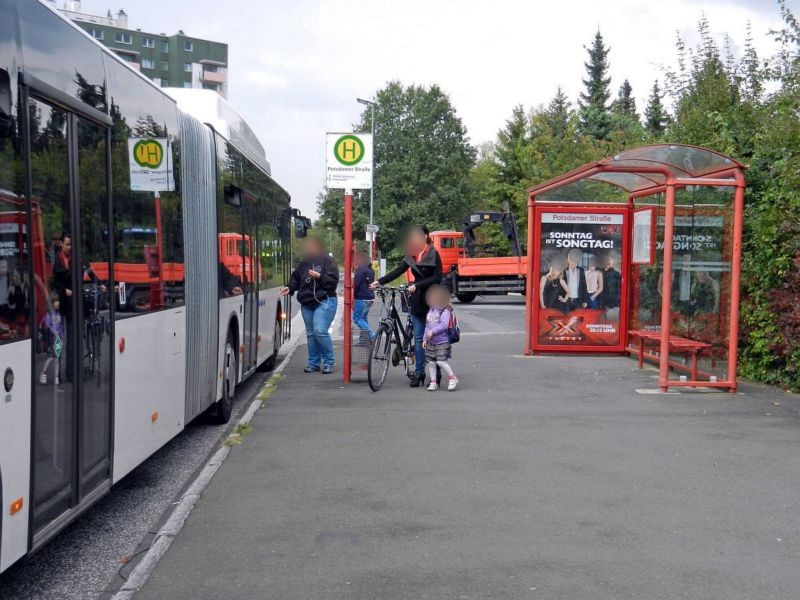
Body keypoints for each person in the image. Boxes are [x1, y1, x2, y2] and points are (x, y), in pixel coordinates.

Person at [371, 225, 442, 388]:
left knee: (432, 339)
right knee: (418, 340)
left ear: (425, 236)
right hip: (417, 300)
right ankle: (419, 373)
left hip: (432, 298)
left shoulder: (433, 253)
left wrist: (418, 285)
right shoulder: (412, 253)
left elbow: (438, 277)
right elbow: (399, 270)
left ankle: (436, 374)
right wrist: (380, 282)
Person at [280, 236, 339, 374]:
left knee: (319, 330)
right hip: (307, 303)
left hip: (324, 300)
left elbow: (332, 282)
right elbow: (296, 278)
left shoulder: (327, 261)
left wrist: (319, 277)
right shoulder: (304, 263)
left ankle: (329, 361)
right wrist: (290, 288)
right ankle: (313, 363)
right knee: (311, 334)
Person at [422, 284, 458, 392]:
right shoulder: (431, 311)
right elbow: (427, 326)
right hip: (431, 342)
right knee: (432, 363)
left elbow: (443, 325)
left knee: (440, 361)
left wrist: (433, 331)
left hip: (442, 341)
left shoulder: (445, 311)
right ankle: (433, 382)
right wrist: (425, 339)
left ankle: (452, 377)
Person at [51, 232, 74, 382]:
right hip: (60, 302)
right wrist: (63, 290)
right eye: (67, 244)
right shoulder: (57, 260)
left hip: (71, 304)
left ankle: (70, 372)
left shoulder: (73, 260)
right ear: (61, 244)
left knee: (71, 339)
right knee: (59, 338)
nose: (69, 247)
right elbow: (54, 281)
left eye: (70, 245)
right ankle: (57, 372)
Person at [39, 292, 65, 385]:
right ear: (52, 303)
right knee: (51, 357)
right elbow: (47, 326)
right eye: (56, 301)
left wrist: (61, 336)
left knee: (57, 358)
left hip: (58, 339)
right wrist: (55, 333)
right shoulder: (49, 314)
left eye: (58, 301)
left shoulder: (58, 314)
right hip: (52, 339)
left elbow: (60, 326)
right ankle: (43, 373)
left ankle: (56, 377)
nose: (58, 303)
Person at [352, 251, 375, 341]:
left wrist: (353, 295)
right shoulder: (370, 269)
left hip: (361, 297)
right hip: (370, 297)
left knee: (357, 318)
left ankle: (372, 334)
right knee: (363, 318)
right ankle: (364, 340)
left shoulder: (361, 269)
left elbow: (356, 284)